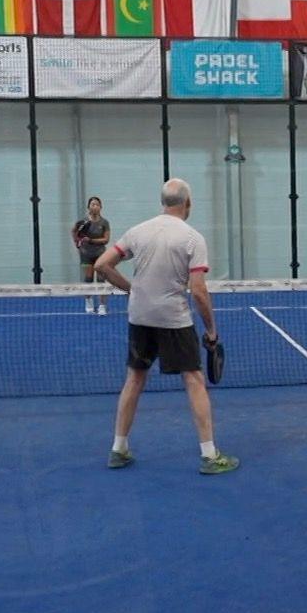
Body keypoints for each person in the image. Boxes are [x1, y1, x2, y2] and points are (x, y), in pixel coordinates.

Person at [93, 178, 238, 475]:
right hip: (173, 318)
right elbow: (198, 291)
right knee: (194, 380)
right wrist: (211, 330)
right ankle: (210, 456)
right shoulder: (192, 238)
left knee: (134, 378)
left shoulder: (138, 231)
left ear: (163, 202)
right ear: (188, 204)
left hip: (140, 316)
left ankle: (118, 449)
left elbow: (102, 265)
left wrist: (131, 290)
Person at [73, 196, 112, 315]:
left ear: (101, 207)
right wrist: (77, 243)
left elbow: (106, 239)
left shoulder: (104, 222)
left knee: (101, 279)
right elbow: (74, 231)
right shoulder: (83, 222)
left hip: (100, 254)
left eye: (97, 204)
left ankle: (102, 306)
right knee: (88, 279)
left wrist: (90, 240)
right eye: (92, 204)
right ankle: (89, 301)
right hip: (86, 254)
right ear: (88, 207)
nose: (94, 206)